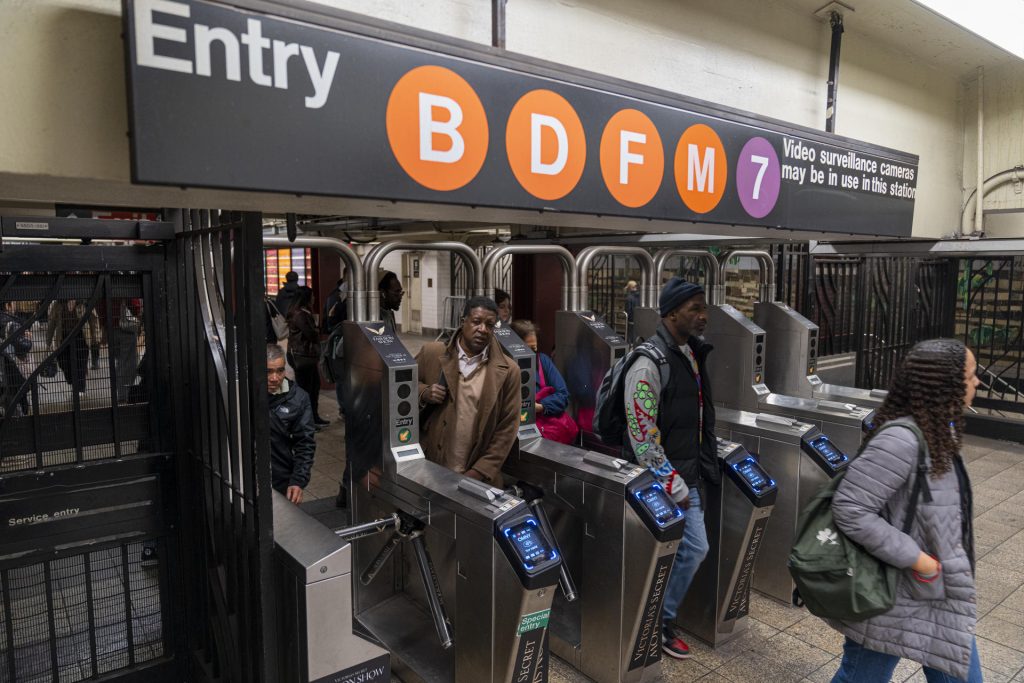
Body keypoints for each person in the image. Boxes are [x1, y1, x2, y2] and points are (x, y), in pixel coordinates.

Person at [828, 338, 981, 683]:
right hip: (894, 596)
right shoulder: (901, 439)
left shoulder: (939, 431)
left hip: (938, 591)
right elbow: (851, 508)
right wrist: (918, 559)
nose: (977, 383)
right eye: (971, 376)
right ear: (945, 385)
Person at [623, 277, 717, 660]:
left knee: (684, 550)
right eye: (695, 308)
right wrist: (669, 478)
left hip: (690, 469)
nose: (703, 315)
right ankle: (659, 622)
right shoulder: (649, 362)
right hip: (666, 479)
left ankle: (656, 618)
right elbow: (641, 430)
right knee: (696, 547)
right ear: (671, 312)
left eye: (703, 307)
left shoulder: (689, 352)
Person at [416, 296, 519, 486]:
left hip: (474, 474)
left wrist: (479, 472)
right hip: (431, 466)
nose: (482, 329)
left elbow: (507, 428)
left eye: (490, 325)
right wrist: (424, 392)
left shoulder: (508, 371)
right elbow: (401, 388)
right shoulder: (432, 354)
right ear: (463, 322)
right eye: (476, 322)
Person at [510, 319, 577, 445]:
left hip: (546, 434)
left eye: (534, 349)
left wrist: (540, 407)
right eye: (526, 349)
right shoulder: (506, 367)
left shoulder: (542, 361)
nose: (531, 354)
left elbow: (563, 394)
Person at [267, 344, 316, 504]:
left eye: (280, 371)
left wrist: (297, 481)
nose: (275, 378)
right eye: (268, 371)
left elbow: (305, 443)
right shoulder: (243, 393)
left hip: (281, 479)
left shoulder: (299, 399)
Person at [286, 286, 328, 428]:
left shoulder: (298, 312)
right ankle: (307, 421)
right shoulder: (301, 315)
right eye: (312, 296)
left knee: (313, 386)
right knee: (307, 389)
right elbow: (312, 334)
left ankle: (314, 417)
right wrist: (317, 328)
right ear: (306, 298)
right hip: (302, 356)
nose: (314, 298)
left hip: (303, 355)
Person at [46, 299, 97, 397]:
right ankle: (71, 380)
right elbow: (51, 322)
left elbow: (93, 319)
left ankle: (80, 388)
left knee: (80, 364)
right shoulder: (57, 304)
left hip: (81, 338)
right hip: (63, 338)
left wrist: (95, 337)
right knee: (63, 362)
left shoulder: (83, 302)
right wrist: (48, 342)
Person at [624, 280, 640, 344]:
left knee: (630, 337)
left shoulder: (629, 298)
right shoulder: (641, 296)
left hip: (631, 320)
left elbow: (628, 311)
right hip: (639, 320)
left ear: (629, 288)